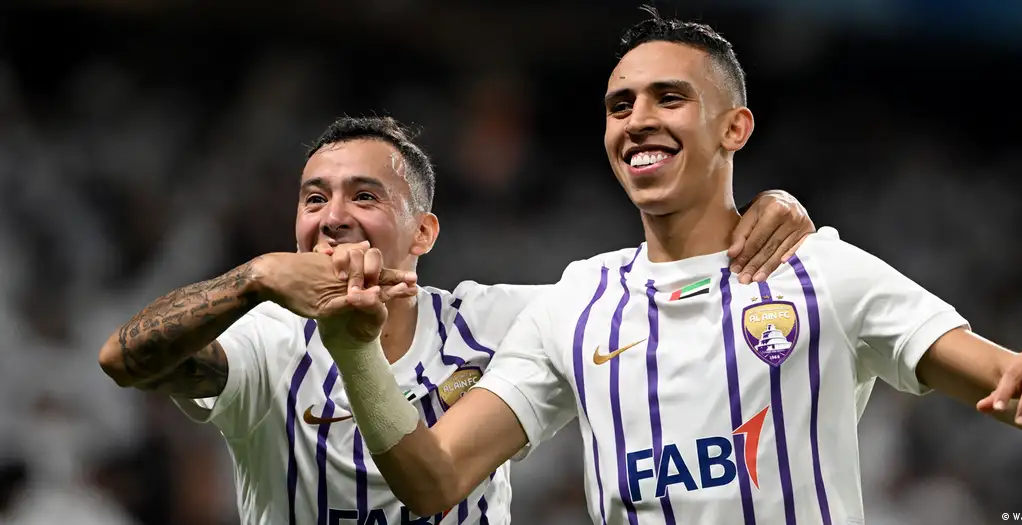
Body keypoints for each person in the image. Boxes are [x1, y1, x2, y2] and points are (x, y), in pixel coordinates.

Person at [316, 10, 1022, 525]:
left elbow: (1004, 377)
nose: (638, 120)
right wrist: (355, 353)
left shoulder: (824, 272)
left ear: (734, 127)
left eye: (669, 98)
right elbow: (433, 479)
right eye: (620, 105)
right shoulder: (576, 302)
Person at [97, 115, 816, 525]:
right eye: (314, 199)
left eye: (364, 196)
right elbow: (124, 360)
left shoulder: (499, 320)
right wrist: (251, 278)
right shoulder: (268, 341)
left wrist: (768, 212)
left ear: (423, 233)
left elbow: (668, 285)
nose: (333, 217)